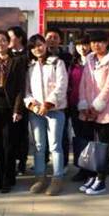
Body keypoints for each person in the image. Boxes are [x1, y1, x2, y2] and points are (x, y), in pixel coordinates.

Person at [77, 31, 109, 195]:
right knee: (90, 146)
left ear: (107, 43)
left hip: (105, 111)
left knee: (102, 148)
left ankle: (101, 180)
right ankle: (92, 176)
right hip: (87, 111)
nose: (96, 45)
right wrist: (83, 104)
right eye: (93, 42)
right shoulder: (89, 59)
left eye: (100, 42)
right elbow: (83, 84)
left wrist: (96, 107)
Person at [0, 30, 26, 193]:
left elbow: (21, 87)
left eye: (2, 40)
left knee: (9, 145)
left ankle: (8, 179)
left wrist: (17, 109)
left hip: (10, 108)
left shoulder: (17, 61)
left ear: (8, 43)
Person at [24, 34, 68, 196]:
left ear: (45, 44)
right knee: (39, 146)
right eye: (33, 47)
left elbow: (61, 86)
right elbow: (26, 90)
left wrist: (47, 104)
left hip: (55, 110)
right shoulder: (30, 66)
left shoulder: (57, 63)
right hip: (36, 113)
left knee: (55, 146)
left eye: (39, 45)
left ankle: (57, 178)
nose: (37, 49)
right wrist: (32, 105)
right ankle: (40, 178)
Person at [67, 34, 94, 182]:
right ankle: (82, 169)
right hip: (75, 105)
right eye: (78, 45)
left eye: (85, 44)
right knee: (79, 138)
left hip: (90, 106)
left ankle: (92, 169)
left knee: (90, 137)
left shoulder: (95, 62)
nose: (82, 48)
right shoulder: (73, 63)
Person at [44, 27, 71, 171]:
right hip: (42, 100)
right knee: (43, 133)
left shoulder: (67, 57)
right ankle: (43, 160)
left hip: (61, 100)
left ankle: (64, 162)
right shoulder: (40, 54)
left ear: (60, 40)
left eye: (55, 37)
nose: (52, 40)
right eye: (49, 37)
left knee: (61, 133)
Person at [7, 25, 29, 175]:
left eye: (11, 37)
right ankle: (11, 162)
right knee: (11, 133)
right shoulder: (6, 54)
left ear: (20, 37)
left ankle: (22, 161)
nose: (8, 40)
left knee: (22, 133)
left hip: (25, 98)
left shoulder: (28, 54)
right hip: (8, 99)